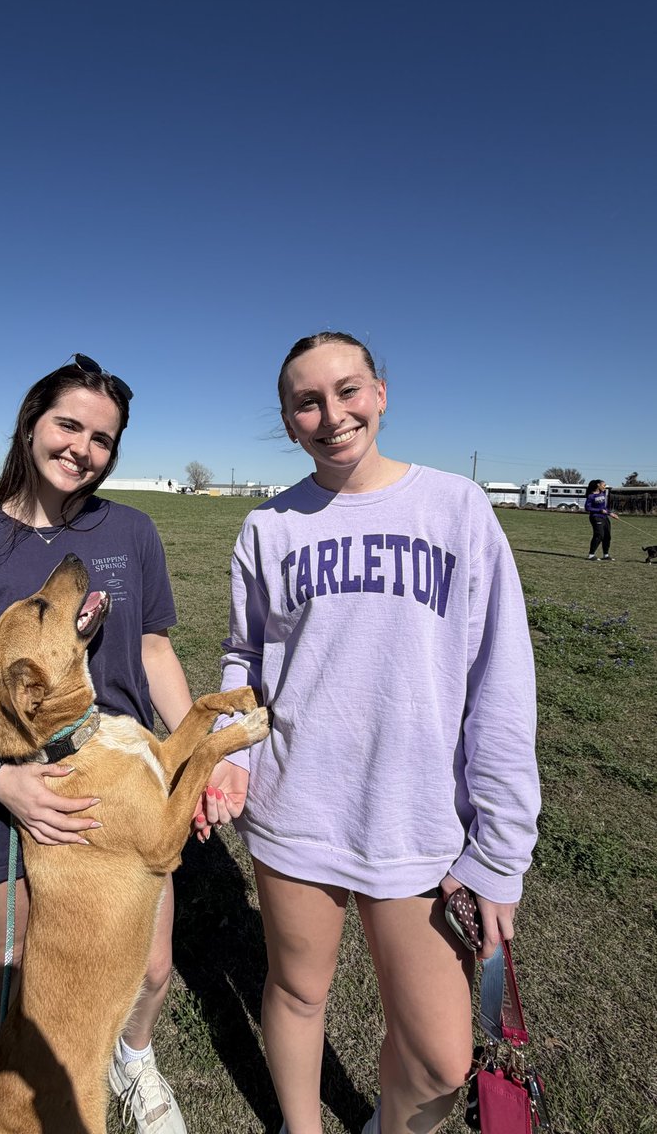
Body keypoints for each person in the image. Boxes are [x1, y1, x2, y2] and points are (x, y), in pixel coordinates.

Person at [197, 332, 540, 1134]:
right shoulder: (268, 527)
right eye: (307, 402)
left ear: (380, 394)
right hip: (295, 805)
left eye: (348, 391)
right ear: (289, 422)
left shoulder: (457, 508)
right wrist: (233, 751)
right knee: (296, 990)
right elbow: (245, 652)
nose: (331, 414)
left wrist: (501, 849)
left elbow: (502, 683)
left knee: (440, 1058)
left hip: (417, 819)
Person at [0, 355, 192, 1134]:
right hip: (24, 795)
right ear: (31, 423)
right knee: (7, 960)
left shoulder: (131, 530)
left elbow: (156, 651)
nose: (83, 448)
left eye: (103, 438)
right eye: (69, 425)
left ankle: (131, 1059)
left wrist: (213, 750)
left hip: (125, 787)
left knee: (153, 963)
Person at [584, 479, 615, 560]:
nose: (605, 487)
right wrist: (599, 511)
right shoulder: (591, 496)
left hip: (604, 517)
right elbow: (587, 508)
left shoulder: (602, 493)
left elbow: (604, 507)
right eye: (604, 485)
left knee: (607, 536)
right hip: (596, 517)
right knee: (599, 535)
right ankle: (591, 555)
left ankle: (606, 555)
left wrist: (610, 513)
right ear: (598, 485)